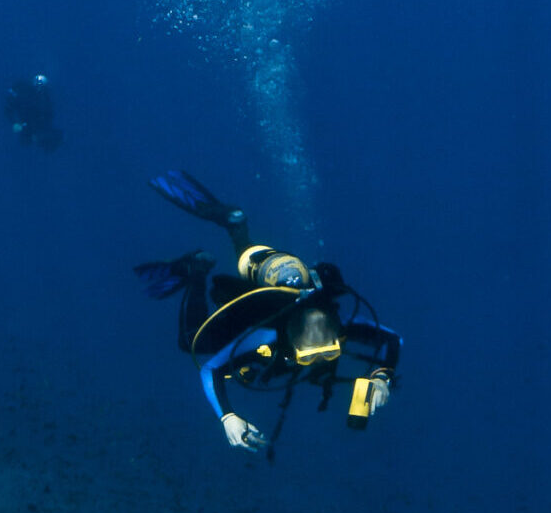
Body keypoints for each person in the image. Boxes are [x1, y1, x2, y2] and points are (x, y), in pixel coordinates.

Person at [135, 170, 399, 453]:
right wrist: (228, 417)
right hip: (258, 307)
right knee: (189, 342)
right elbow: (210, 368)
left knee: (249, 259)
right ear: (291, 342)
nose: (318, 360)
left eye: (330, 351)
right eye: (309, 356)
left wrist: (382, 378)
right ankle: (196, 269)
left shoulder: (344, 323)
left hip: (278, 283)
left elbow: (393, 340)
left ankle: (237, 226)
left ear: (338, 332)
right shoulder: (265, 335)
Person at [4, 74, 62, 151]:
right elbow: (9, 108)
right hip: (29, 125)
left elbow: (48, 115)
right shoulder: (24, 94)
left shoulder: (45, 100)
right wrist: (15, 122)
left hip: (35, 125)